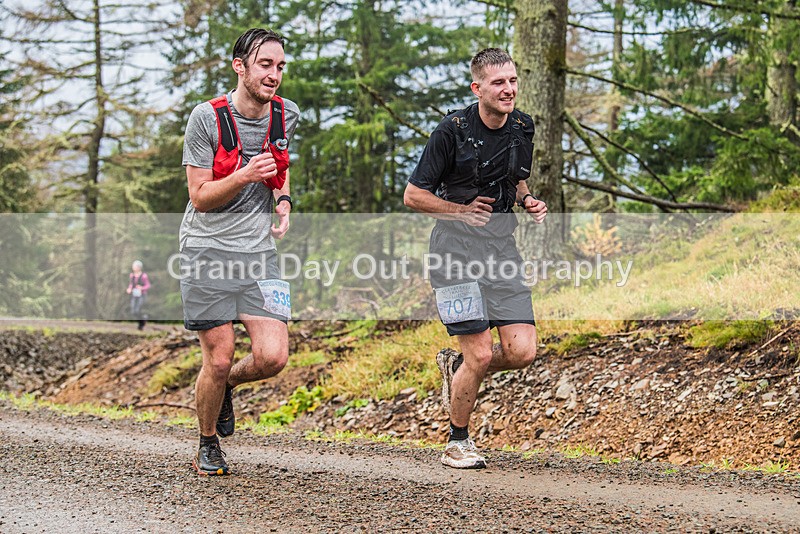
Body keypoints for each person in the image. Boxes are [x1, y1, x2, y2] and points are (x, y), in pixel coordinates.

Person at [404, 48, 548, 469]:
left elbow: (516, 177)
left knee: (521, 351)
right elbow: (413, 196)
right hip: (454, 254)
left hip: (502, 251)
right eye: (498, 82)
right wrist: (461, 212)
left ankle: (457, 365)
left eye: (513, 81)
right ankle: (457, 442)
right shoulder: (452, 130)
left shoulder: (523, 126)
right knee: (481, 354)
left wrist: (528, 200)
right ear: (478, 87)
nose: (508, 89)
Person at [180, 28, 299, 476]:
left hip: (259, 255)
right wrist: (245, 176)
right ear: (240, 67)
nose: (274, 75)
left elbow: (280, 166)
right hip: (205, 252)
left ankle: (224, 385)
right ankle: (207, 442)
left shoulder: (286, 114)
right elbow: (199, 196)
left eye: (280, 66)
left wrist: (283, 201)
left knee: (273, 357)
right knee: (221, 353)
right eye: (265, 65)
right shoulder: (206, 118)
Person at [126, 260, 150, 330]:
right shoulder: (132, 275)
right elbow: (131, 284)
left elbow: (148, 285)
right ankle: (143, 319)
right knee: (133, 311)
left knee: (138, 310)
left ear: (139, 267)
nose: (134, 268)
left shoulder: (144, 276)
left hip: (142, 295)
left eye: (135, 266)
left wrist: (142, 288)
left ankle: (141, 323)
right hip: (134, 295)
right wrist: (129, 289)